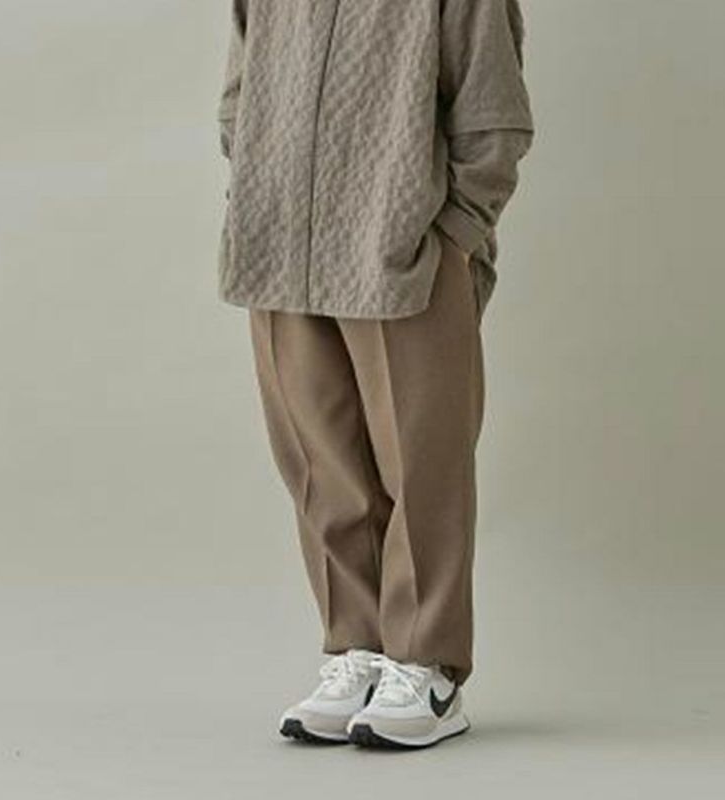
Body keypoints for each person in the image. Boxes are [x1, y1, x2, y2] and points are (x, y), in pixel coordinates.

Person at [216, 0, 534, 749]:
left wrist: (452, 234)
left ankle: (427, 667)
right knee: (319, 466)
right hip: (280, 245)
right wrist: (253, 186)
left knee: (422, 465)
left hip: (404, 250)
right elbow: (240, 90)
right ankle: (355, 649)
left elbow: (493, 115)